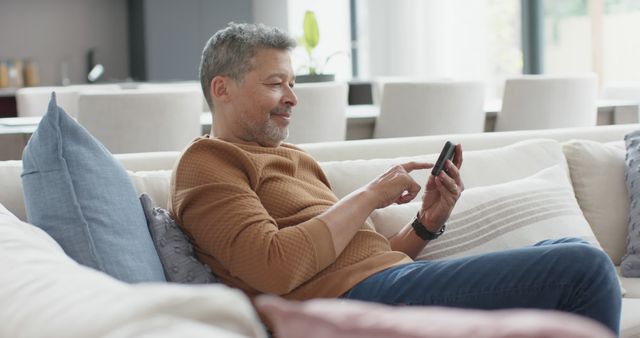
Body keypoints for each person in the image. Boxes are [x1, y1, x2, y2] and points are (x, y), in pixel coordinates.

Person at [170, 22, 621, 334]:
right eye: (275, 84)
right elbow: (273, 267)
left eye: (293, 83)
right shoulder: (207, 162)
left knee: (572, 249)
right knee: (585, 269)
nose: (292, 98)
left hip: (388, 284)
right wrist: (370, 195)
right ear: (221, 88)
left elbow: (359, 259)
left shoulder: (295, 158)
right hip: (349, 306)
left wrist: (426, 222)